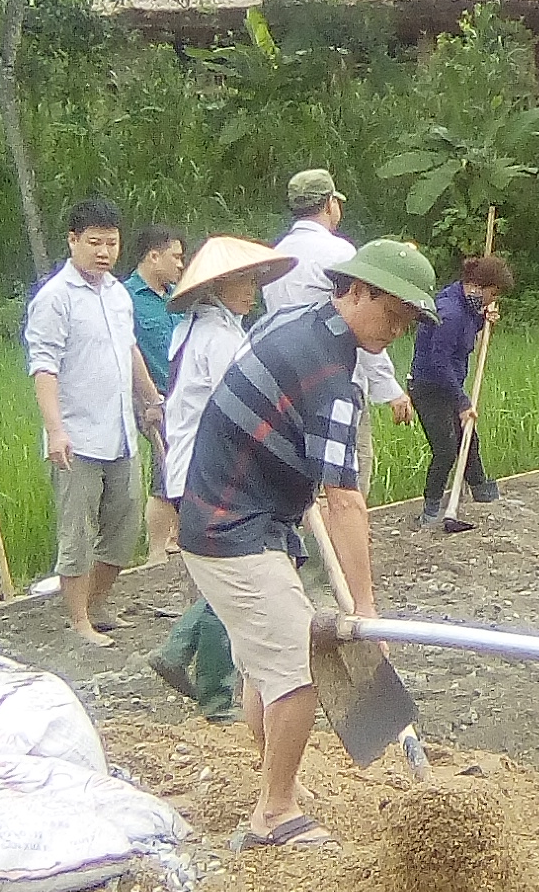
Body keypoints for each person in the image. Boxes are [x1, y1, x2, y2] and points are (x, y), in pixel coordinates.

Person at [177, 239, 439, 848]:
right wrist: (367, 612)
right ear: (358, 290)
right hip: (232, 529)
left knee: (265, 668)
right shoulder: (332, 382)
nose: (397, 331)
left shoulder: (298, 321)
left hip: (232, 517)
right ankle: (274, 813)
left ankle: (276, 779)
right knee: (300, 668)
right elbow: (344, 500)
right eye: (393, 314)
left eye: (408, 322)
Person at [147, 236, 295, 720]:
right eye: (241, 283)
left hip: (192, 466)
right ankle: (212, 690)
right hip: (211, 471)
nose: (251, 291)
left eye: (253, 281)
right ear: (217, 288)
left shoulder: (194, 330)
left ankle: (180, 650)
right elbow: (245, 405)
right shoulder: (220, 338)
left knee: (223, 575)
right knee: (232, 574)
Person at [25, 195, 165, 646]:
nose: (104, 252)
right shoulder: (55, 298)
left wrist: (150, 398)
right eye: (94, 243)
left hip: (120, 432)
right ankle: (79, 620)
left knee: (124, 528)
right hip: (77, 436)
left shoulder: (117, 294)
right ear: (72, 241)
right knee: (78, 533)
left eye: (111, 243)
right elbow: (43, 366)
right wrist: (55, 430)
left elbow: (129, 349)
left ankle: (98, 603)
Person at [261, 168, 415, 488]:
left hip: (283, 381)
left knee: (299, 479)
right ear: (330, 203)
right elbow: (362, 325)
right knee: (347, 477)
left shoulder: (276, 256)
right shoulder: (340, 254)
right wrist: (390, 389)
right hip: (334, 379)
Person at [409, 254, 516, 524]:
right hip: (429, 387)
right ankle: (431, 510)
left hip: (449, 382)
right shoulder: (450, 312)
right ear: (479, 287)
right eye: (493, 294)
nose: (493, 300)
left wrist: (483, 320)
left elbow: (465, 331)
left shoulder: (466, 304)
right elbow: (439, 361)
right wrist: (462, 401)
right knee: (446, 449)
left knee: (468, 438)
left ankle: (480, 489)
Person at [126, 225, 187, 563]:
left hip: (182, 394)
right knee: (166, 468)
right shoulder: (126, 298)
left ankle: (177, 538)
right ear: (153, 256)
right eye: (175, 257)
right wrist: (149, 399)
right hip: (149, 397)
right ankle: (155, 552)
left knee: (186, 464)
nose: (180, 264)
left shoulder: (179, 297)